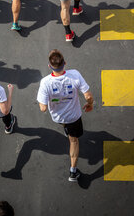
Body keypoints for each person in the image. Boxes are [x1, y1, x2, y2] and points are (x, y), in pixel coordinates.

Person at [37, 49, 94, 182]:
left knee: (67, 129)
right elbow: (88, 95)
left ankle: (67, 130)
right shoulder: (74, 74)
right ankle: (73, 171)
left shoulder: (45, 82)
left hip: (58, 117)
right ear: (65, 63)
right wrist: (90, 104)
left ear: (49, 66)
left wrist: (52, 99)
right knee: (73, 140)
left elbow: (43, 108)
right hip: (74, 117)